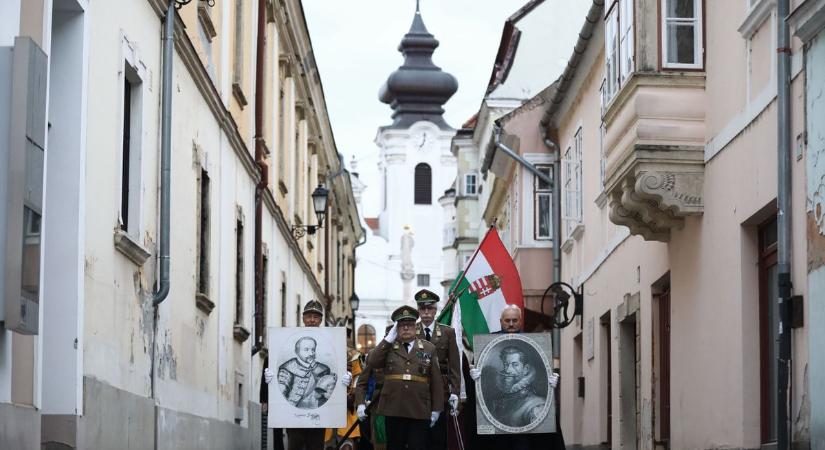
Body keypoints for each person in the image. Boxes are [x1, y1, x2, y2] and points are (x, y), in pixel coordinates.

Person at [467, 305, 563, 450]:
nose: (511, 324)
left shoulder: (535, 406)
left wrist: (551, 379)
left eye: (514, 320)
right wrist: (473, 376)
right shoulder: (487, 342)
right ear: (501, 321)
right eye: (507, 320)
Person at [264, 300, 353, 450]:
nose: (312, 320)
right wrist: (272, 383)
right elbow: (282, 391)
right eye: (309, 316)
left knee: (316, 447)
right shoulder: (288, 366)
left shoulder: (329, 351)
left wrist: (346, 379)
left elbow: (343, 368)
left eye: (316, 317)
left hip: (319, 415)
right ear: (303, 318)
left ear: (321, 320)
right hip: (293, 416)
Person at [356, 306, 443, 450]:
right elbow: (372, 362)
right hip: (393, 408)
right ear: (396, 328)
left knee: (418, 446)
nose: (406, 328)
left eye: (410, 325)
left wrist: (436, 409)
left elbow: (436, 381)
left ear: (416, 327)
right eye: (402, 325)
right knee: (395, 445)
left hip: (419, 408)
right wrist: (387, 341)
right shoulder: (388, 347)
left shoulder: (428, 348)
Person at [413, 289, 460, 450]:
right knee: (418, 437)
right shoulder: (411, 332)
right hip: (416, 390)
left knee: (438, 436)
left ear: (435, 310)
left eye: (430, 308)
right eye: (422, 308)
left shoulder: (447, 332)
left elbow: (454, 365)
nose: (426, 312)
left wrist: (455, 392)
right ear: (418, 311)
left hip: (440, 389)